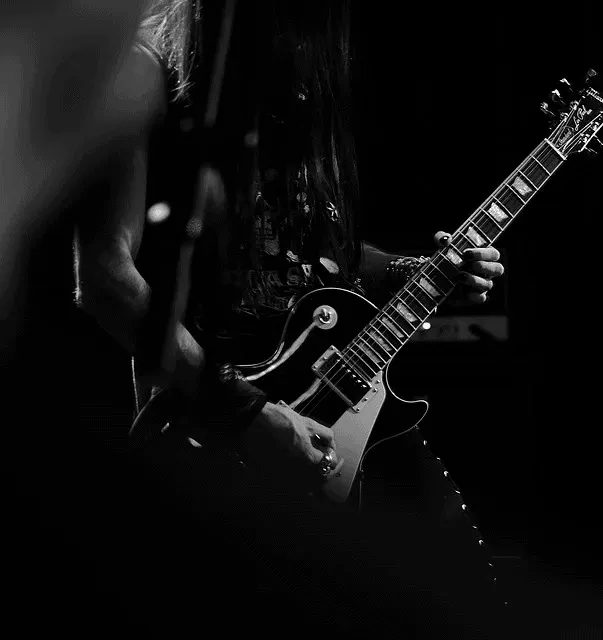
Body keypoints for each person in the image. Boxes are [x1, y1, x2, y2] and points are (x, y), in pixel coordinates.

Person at [67, 0, 508, 637]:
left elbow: (298, 244)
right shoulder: (139, 74)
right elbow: (104, 278)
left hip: (333, 404)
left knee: (464, 604)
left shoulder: (287, 81)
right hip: (212, 426)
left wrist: (408, 272)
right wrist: (249, 412)